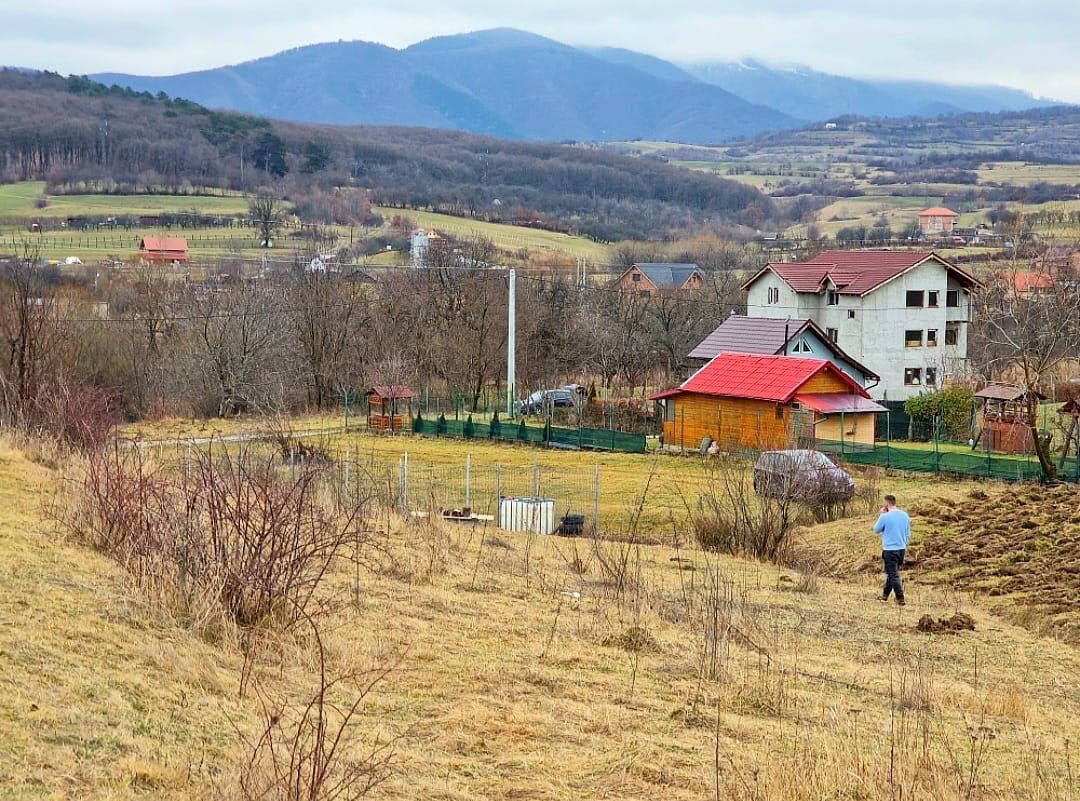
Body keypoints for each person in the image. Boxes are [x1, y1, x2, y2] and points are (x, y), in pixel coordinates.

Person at [873, 494, 911, 606]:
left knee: (893, 574)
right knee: (892, 572)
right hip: (901, 549)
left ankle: (900, 598)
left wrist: (881, 515)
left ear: (886, 503)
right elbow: (908, 533)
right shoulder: (905, 515)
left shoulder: (885, 516)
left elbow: (876, 529)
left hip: (890, 549)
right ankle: (885, 595)